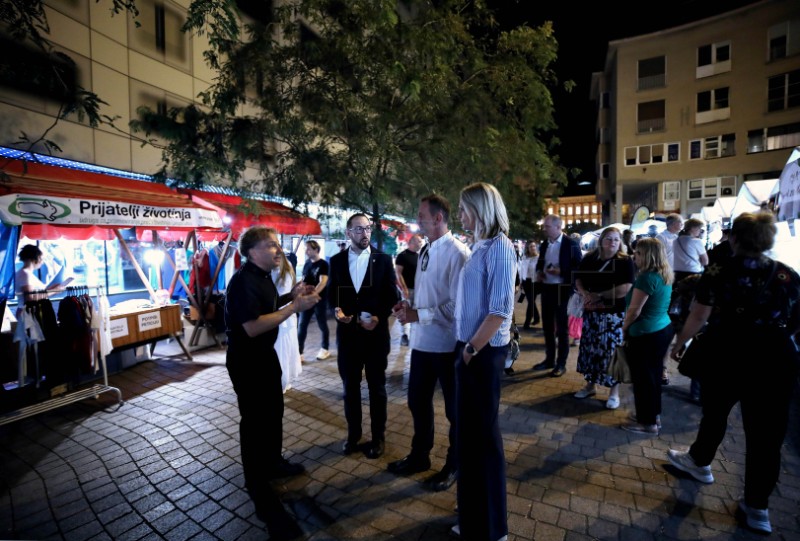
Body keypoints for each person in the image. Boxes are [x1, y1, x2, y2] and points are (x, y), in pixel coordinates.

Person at [666, 212, 800, 535]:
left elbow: (699, 315)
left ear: (735, 239)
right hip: (773, 357)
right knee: (766, 435)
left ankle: (700, 462)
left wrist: (679, 343)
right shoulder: (786, 275)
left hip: (727, 350)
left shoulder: (719, 270)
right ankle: (758, 507)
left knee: (715, 412)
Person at [223, 226, 319, 538]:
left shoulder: (262, 277)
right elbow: (252, 326)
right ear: (252, 252)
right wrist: (294, 307)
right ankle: (256, 481)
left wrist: (289, 296)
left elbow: (266, 306)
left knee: (273, 411)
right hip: (247, 361)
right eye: (270, 245)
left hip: (265, 356)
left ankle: (274, 462)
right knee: (254, 420)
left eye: (277, 244)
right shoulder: (242, 281)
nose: (277, 250)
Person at [388, 194, 469, 492]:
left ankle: (454, 464)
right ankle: (420, 456)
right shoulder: (424, 250)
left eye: (421, 215)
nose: (417, 219)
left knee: (454, 411)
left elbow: (457, 306)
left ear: (437, 218)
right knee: (417, 402)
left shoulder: (458, 253)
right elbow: (427, 295)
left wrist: (417, 313)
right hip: (421, 343)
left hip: (448, 345)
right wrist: (407, 307)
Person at [452, 182, 515, 541]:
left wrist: (471, 350)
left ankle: (494, 528)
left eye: (464, 208)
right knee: (469, 439)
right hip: (470, 348)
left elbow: (500, 310)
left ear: (481, 209)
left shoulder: (501, 247)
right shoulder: (480, 247)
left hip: (482, 351)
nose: (460, 214)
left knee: (485, 441)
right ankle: (474, 517)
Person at [328, 213, 399, 459]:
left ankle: (378, 437)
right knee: (350, 388)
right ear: (348, 233)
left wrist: (380, 316)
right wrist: (337, 311)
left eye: (367, 228)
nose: (364, 233)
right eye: (358, 229)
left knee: (377, 388)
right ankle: (353, 435)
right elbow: (332, 296)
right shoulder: (336, 261)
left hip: (376, 336)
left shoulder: (383, 259)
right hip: (348, 337)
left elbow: (392, 296)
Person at [572, 227, 634, 409]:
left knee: (612, 353)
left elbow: (626, 288)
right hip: (592, 313)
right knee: (590, 350)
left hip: (613, 315)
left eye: (616, 239)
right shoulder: (590, 258)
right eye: (609, 239)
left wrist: (599, 295)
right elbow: (579, 279)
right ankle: (590, 385)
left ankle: (614, 392)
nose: (612, 242)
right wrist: (585, 294)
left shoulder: (625, 261)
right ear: (601, 241)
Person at [620, 238, 674, 435]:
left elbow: (634, 311)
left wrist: (623, 329)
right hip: (662, 329)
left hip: (646, 333)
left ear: (648, 255)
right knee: (653, 377)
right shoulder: (664, 273)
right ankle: (653, 415)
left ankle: (647, 423)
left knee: (643, 379)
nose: (635, 256)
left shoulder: (646, 278)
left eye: (639, 253)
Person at [533, 214, 583, 377]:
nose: (544, 229)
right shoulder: (545, 243)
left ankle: (561, 364)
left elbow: (579, 268)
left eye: (547, 226)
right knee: (547, 326)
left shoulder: (571, 244)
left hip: (562, 289)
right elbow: (541, 261)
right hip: (547, 288)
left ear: (558, 227)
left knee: (562, 329)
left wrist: (562, 271)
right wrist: (540, 272)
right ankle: (549, 360)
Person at [272, 254, 302, 393]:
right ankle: (285, 380)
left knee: (281, 349)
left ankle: (282, 381)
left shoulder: (277, 269)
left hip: (281, 314)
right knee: (286, 348)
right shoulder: (287, 266)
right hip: (287, 314)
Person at [297, 240, 331, 361]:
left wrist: (313, 294)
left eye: (308, 249)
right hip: (306, 300)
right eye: (305, 249)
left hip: (319, 300)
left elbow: (323, 282)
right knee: (302, 325)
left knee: (322, 324)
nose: (306, 251)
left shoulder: (323, 264)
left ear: (316, 250)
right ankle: (299, 353)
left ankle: (325, 349)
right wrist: (300, 291)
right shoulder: (307, 264)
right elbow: (304, 280)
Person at [394, 233, 423, 347]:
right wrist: (404, 288)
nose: (421, 244)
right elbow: (398, 273)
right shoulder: (402, 255)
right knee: (405, 312)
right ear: (412, 242)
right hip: (407, 290)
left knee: (416, 312)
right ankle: (404, 335)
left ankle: (414, 335)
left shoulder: (419, 256)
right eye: (419, 241)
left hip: (418, 290)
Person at [672, 218, 708, 283]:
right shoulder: (696, 241)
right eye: (699, 228)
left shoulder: (675, 241)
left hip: (677, 273)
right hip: (693, 272)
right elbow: (705, 261)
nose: (700, 231)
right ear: (693, 228)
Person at [519, 240, 540, 329]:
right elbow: (521, 271)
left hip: (535, 283)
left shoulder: (539, 258)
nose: (533, 248)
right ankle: (537, 318)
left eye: (534, 246)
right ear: (527, 248)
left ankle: (527, 322)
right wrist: (520, 282)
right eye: (531, 246)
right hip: (526, 282)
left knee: (531, 302)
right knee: (531, 302)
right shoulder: (525, 258)